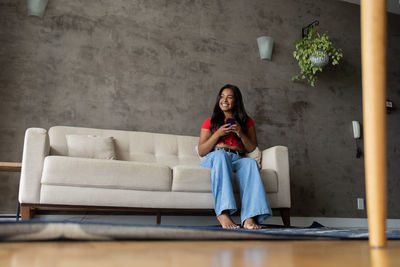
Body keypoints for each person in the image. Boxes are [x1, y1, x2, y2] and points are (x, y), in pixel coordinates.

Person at [198, 84, 272, 229]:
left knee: (250, 163)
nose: (224, 100)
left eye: (229, 97)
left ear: (236, 101)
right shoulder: (210, 121)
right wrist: (218, 134)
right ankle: (223, 213)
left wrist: (240, 133)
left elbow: (252, 148)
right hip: (216, 157)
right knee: (220, 155)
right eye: (222, 96)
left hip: (237, 158)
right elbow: (202, 151)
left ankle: (249, 218)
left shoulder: (246, 121)